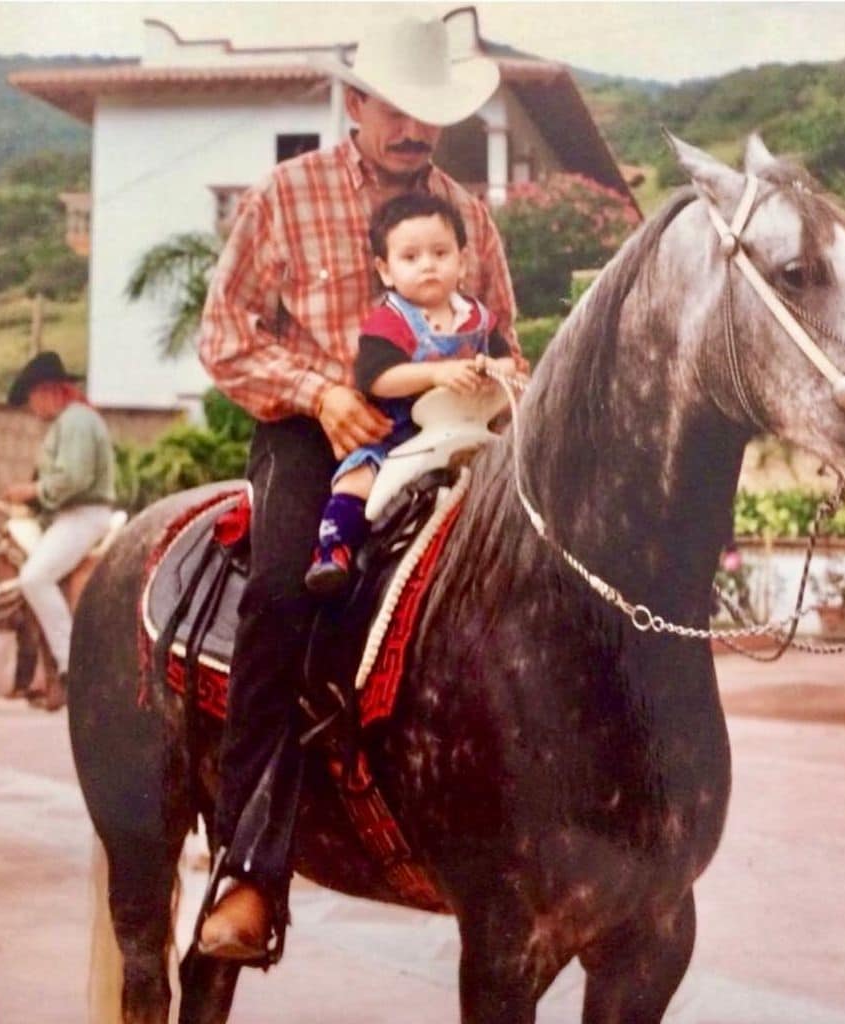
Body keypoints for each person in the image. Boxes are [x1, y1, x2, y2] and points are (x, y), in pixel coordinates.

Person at [197, 14, 523, 963]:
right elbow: (225, 337)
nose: (417, 129)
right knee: (280, 591)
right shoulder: (283, 196)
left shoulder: (467, 211)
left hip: (449, 428)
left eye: (432, 113)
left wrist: (510, 382)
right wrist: (319, 390)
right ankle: (249, 869)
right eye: (400, 110)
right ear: (357, 103)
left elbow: (502, 333)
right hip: (316, 433)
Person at [305, 192, 516, 594]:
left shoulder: (477, 317)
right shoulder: (390, 321)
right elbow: (376, 378)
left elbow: (510, 363)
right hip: (399, 435)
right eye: (411, 257)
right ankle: (333, 549)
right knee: (358, 480)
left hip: (468, 428)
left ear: (462, 259)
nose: (428, 266)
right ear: (385, 270)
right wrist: (437, 373)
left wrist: (491, 369)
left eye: (440, 253)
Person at [3, 350, 116, 711]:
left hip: (83, 514)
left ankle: (70, 664)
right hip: (70, 514)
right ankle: (41, 671)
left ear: (48, 391)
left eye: (32, 399)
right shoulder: (73, 420)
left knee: (33, 577)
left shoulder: (77, 420)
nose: (32, 410)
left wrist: (32, 491)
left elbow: (74, 478)